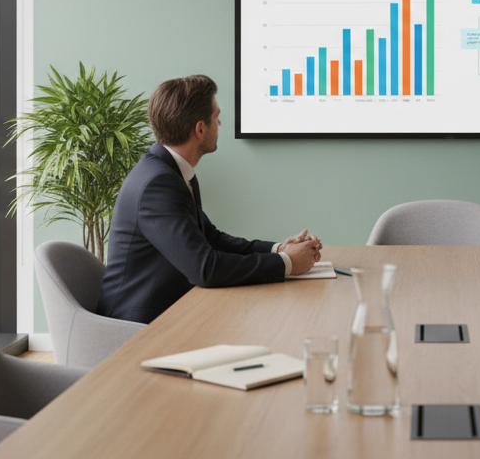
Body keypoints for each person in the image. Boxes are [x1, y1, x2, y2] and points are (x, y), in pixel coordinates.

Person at [98, 74, 322, 324]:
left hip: (172, 310)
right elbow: (205, 269)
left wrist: (279, 249)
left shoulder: (173, 172)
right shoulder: (157, 184)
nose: (220, 123)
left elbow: (210, 238)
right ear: (200, 128)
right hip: (135, 326)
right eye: (216, 117)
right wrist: (287, 263)